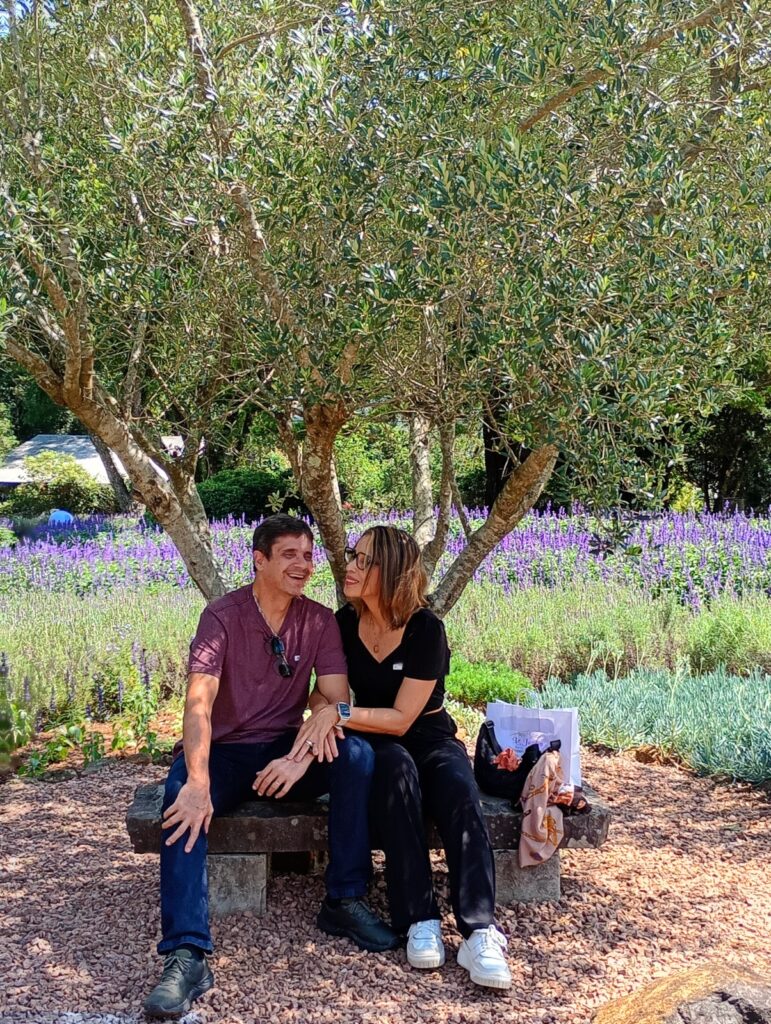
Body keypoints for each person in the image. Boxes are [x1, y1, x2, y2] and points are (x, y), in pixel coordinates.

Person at [144, 514, 398, 1020]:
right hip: (227, 751)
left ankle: (344, 899)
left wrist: (298, 757)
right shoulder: (222, 617)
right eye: (289, 555)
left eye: (308, 555)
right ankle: (187, 953)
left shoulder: (319, 620)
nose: (303, 565)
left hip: (285, 748)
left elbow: (335, 699)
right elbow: (198, 703)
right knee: (182, 798)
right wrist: (199, 780)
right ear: (259, 560)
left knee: (357, 755)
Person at [290, 525, 512, 990]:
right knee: (395, 774)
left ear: (389, 570)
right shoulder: (343, 623)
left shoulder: (426, 629)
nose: (349, 565)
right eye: (352, 554)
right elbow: (321, 691)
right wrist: (322, 709)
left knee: (458, 789)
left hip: (428, 736)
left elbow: (402, 718)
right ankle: (419, 919)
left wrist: (339, 713)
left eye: (362, 559)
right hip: (379, 744)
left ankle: (479, 931)